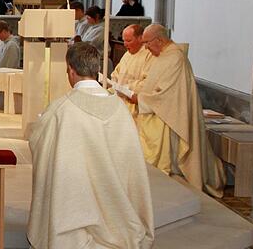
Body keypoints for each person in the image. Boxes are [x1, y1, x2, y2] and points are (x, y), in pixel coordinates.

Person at [28, 42, 154, 249]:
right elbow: (130, 159)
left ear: (71, 69)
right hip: (117, 209)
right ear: (96, 70)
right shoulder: (120, 108)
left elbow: (39, 141)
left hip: (73, 214)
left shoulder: (62, 110)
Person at [131, 24, 225, 196]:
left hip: (169, 115)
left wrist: (141, 98)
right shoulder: (164, 56)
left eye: (147, 43)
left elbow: (167, 95)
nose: (145, 47)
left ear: (159, 40)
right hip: (158, 110)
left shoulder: (175, 58)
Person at [110, 24, 152, 116]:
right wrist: (113, 84)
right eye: (124, 40)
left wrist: (127, 88)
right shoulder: (127, 54)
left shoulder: (149, 55)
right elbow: (115, 74)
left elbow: (149, 83)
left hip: (135, 106)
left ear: (140, 38)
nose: (125, 44)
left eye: (129, 40)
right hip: (119, 101)